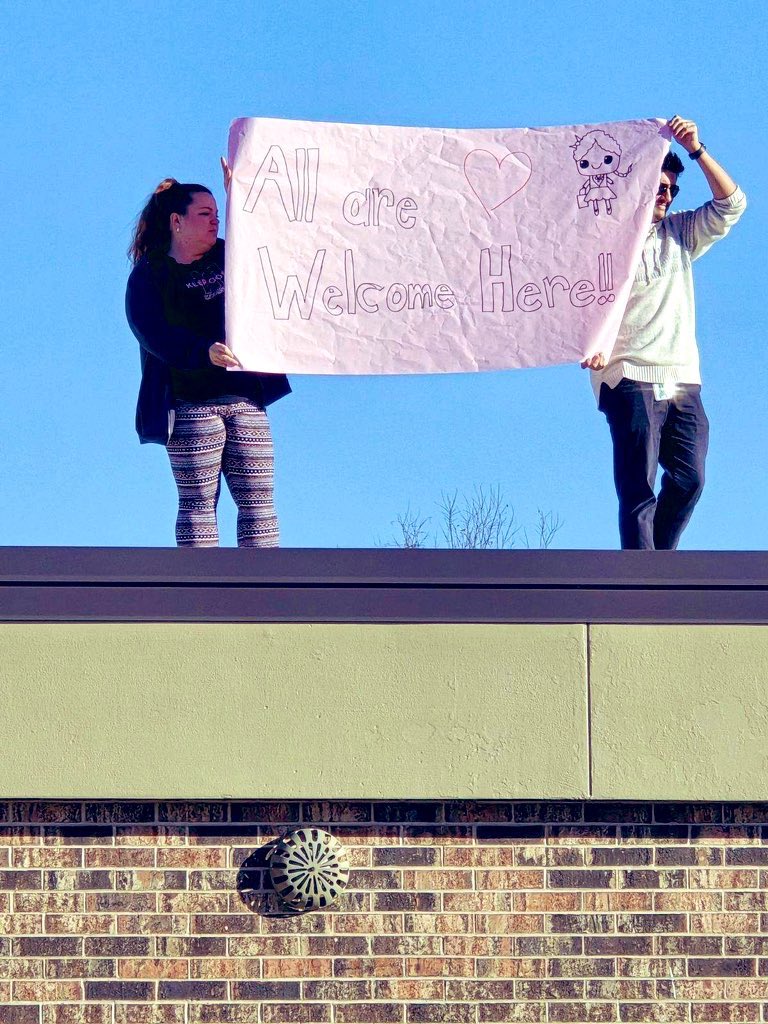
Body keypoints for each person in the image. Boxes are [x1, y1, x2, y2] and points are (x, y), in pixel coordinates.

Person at [582, 116, 746, 550]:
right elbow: (575, 296)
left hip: (681, 378)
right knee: (638, 485)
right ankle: (640, 583)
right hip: (628, 374)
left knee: (691, 478)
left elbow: (733, 204)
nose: (666, 194)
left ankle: (659, 564)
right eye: (659, 185)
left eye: (672, 189)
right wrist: (589, 342)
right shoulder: (603, 238)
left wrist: (696, 149)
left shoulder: (680, 233)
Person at [126, 178, 291, 547]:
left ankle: (264, 588)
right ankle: (201, 592)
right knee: (198, 502)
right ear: (176, 221)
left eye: (217, 214)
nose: (214, 221)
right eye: (204, 214)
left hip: (246, 399)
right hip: (190, 405)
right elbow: (150, 330)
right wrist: (202, 351)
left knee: (259, 502)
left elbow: (268, 245)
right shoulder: (151, 273)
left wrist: (243, 196)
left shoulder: (230, 255)